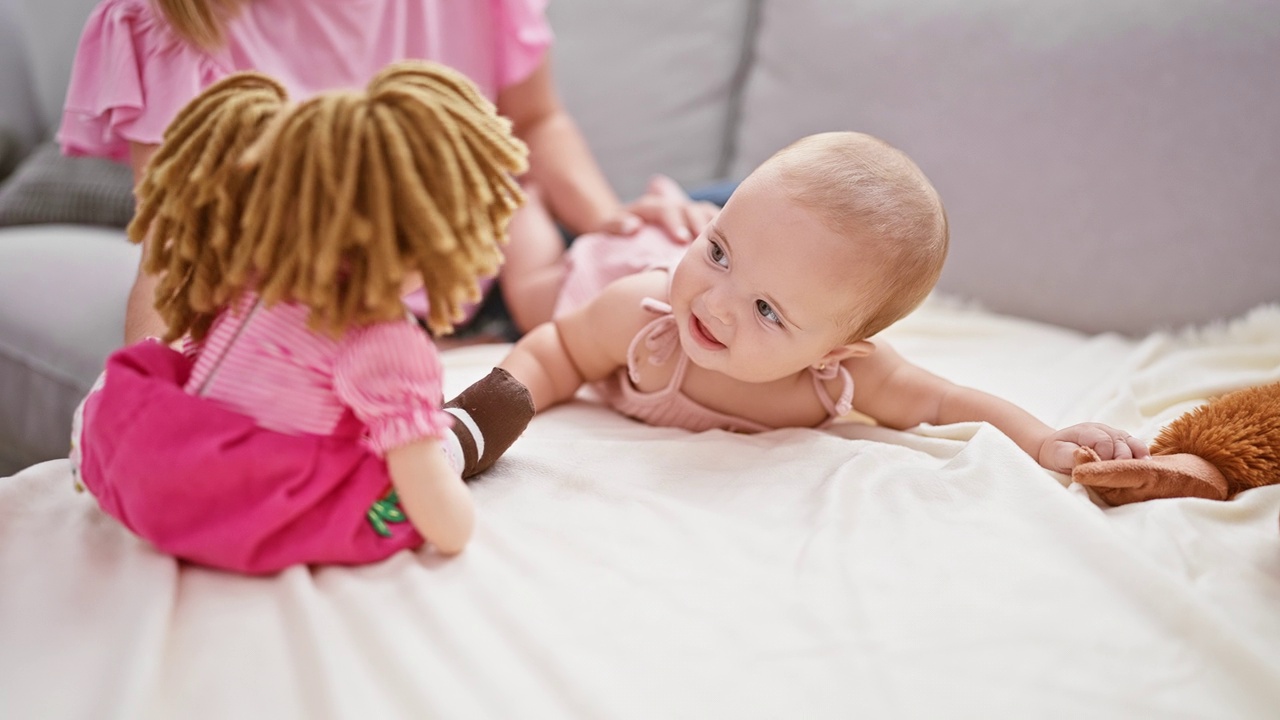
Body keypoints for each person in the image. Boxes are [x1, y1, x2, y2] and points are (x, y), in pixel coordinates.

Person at [70, 62, 528, 574]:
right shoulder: (384, 342)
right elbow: (445, 524)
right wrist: (454, 514)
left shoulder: (253, 278)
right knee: (409, 472)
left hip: (161, 474)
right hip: (251, 508)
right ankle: (463, 435)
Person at [58, 0, 714, 345]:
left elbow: (536, 122)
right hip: (330, 322)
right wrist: (142, 400)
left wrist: (610, 223)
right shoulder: (173, 22)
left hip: (506, 266)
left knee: (746, 224)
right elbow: (179, 250)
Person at [495, 132, 1150, 473]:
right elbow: (554, 351)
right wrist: (485, 420)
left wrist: (1044, 442)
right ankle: (521, 189)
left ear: (836, 350)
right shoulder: (646, 313)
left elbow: (944, 401)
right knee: (533, 300)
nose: (715, 306)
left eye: (768, 311)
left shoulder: (839, 378)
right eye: (718, 251)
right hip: (616, 263)